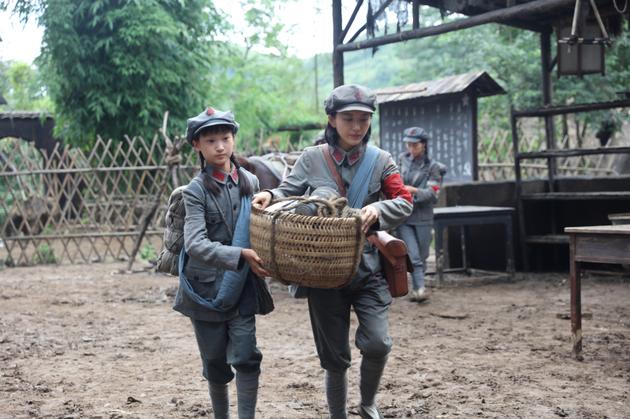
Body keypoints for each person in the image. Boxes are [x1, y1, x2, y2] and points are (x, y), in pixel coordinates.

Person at [252, 84, 413, 419]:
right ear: (332, 120)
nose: (356, 127)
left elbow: (404, 200)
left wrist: (380, 210)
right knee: (334, 358)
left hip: (369, 270)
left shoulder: (381, 160)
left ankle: (368, 403)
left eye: (363, 120)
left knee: (378, 343)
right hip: (322, 273)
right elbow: (288, 190)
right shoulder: (312, 158)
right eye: (348, 119)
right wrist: (269, 194)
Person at [173, 107, 271, 419]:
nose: (220, 146)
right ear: (197, 146)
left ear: (233, 140)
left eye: (225, 138)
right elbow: (196, 243)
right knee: (215, 364)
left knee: (246, 356)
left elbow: (262, 229)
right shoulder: (195, 191)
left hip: (242, 285)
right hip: (204, 290)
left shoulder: (252, 183)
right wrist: (238, 254)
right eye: (211, 140)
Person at [396, 127, 446, 303]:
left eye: (414, 144)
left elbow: (433, 195)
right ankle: (419, 289)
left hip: (423, 217)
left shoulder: (434, 167)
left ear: (423, 145)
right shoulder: (401, 160)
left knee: (423, 255)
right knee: (414, 256)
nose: (410, 148)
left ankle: (417, 286)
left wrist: (414, 190)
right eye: (408, 144)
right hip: (403, 216)